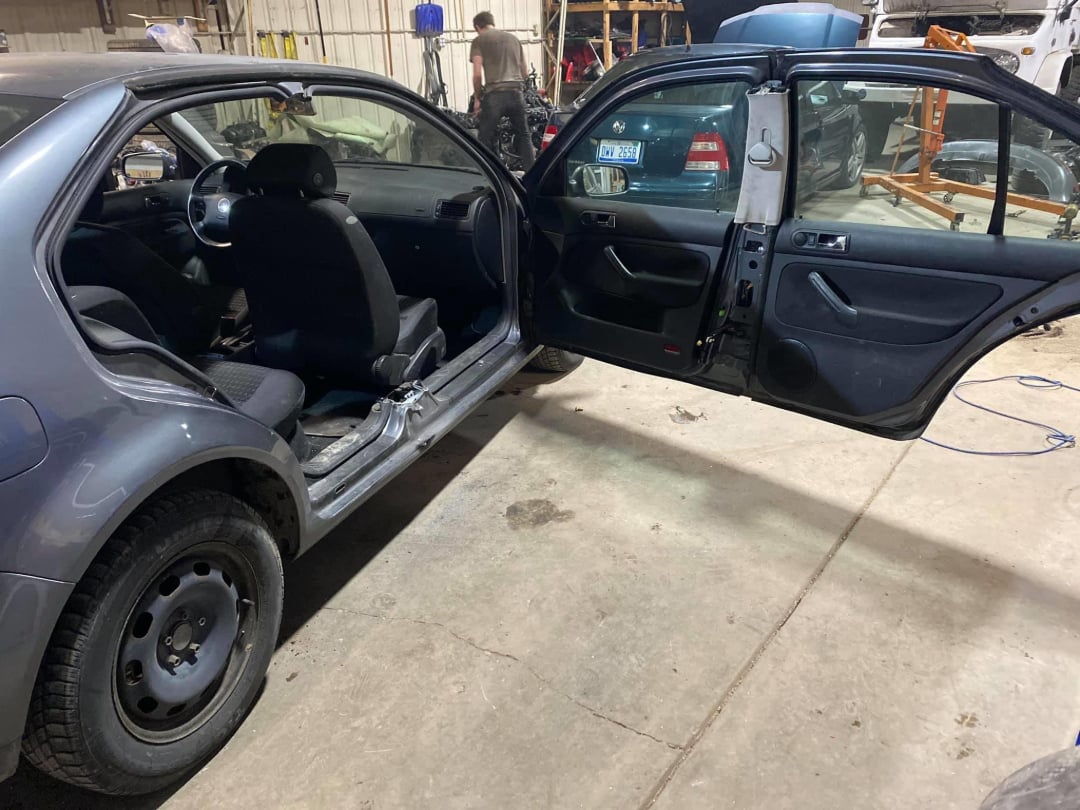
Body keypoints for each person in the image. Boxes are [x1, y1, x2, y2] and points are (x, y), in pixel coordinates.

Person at [469, 11, 535, 171]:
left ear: (477, 27)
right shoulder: (513, 39)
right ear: (492, 23)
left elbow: (477, 74)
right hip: (516, 93)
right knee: (524, 135)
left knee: (484, 137)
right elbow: (525, 72)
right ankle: (532, 173)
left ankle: (487, 174)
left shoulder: (479, 41)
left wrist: (477, 99)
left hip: (495, 95)